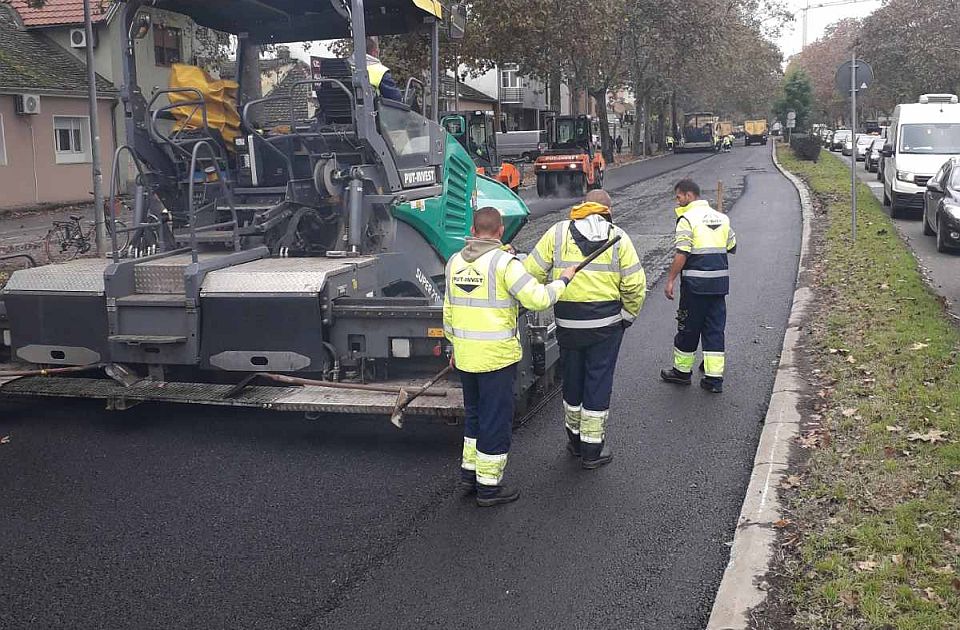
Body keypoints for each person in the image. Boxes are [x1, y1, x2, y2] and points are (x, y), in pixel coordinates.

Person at [445, 207, 577, 507]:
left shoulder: (454, 262)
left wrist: (453, 347)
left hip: (466, 357)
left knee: (475, 416)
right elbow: (539, 299)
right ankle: (489, 488)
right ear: (500, 230)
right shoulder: (505, 264)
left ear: (473, 230)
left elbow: (449, 311)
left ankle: (470, 475)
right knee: (495, 420)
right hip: (495, 359)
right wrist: (565, 280)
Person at [524, 190, 646, 468]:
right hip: (606, 326)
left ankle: (574, 441)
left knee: (573, 380)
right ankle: (592, 451)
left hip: (568, 324)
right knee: (598, 382)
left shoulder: (557, 234)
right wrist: (627, 315)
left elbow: (531, 274)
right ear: (607, 209)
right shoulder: (618, 237)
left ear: (583, 206)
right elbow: (634, 285)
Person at [660, 179, 736, 393]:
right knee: (714, 330)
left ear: (689, 196)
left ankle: (682, 373)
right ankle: (713, 380)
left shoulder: (686, 219)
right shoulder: (722, 218)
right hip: (719, 286)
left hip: (695, 286)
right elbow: (731, 246)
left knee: (688, 328)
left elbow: (682, 253)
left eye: (679, 197)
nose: (677, 201)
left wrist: (670, 280)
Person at [363, 37, 403, 101]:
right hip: (373, 109)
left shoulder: (346, 68)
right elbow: (395, 97)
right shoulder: (379, 70)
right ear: (374, 52)